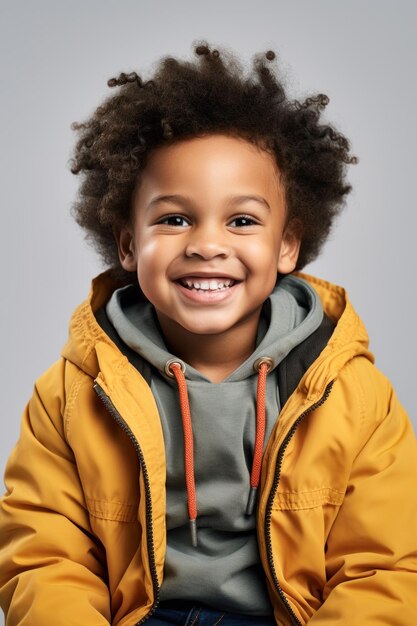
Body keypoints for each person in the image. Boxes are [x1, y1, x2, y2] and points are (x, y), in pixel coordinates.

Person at [0, 42, 416, 626]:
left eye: (242, 220)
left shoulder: (354, 397)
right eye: (174, 218)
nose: (207, 244)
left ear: (288, 245)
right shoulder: (71, 394)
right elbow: (44, 555)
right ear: (126, 243)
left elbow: (384, 568)